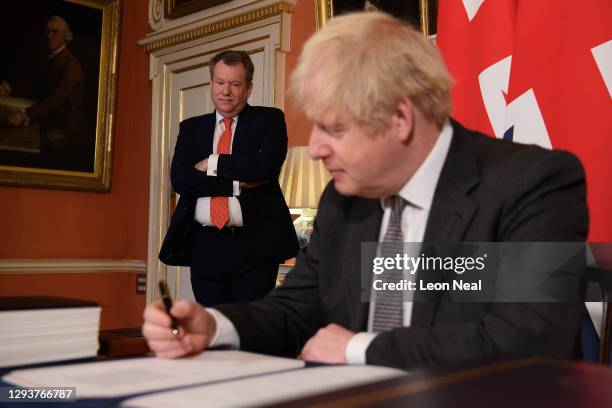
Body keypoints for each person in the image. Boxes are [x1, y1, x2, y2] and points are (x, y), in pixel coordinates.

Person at [143, 12, 588, 369]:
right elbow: (295, 308)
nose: (315, 148)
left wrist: (360, 350)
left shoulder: (534, 183)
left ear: (400, 118)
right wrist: (213, 325)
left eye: (333, 128)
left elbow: (530, 338)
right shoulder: (344, 199)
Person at [159, 50, 298, 306]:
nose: (226, 91)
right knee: (213, 329)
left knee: (250, 328)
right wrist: (235, 183)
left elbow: (263, 169)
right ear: (211, 84)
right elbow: (181, 180)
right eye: (220, 82)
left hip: (254, 247)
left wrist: (212, 162)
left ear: (248, 89)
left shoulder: (269, 120)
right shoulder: (191, 128)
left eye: (235, 84)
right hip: (204, 246)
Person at [1, 15, 89, 171]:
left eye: (54, 32)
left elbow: (55, 100)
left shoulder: (72, 66)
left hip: (65, 130)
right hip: (50, 119)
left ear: (65, 37)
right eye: (47, 32)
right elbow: (38, 86)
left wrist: (23, 116)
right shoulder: (53, 57)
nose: (49, 36)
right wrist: (11, 89)